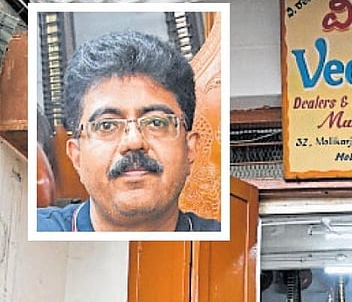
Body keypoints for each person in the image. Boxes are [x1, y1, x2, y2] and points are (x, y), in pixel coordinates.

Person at [36, 29, 220, 232]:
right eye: (107, 125)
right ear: (76, 156)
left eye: (156, 122)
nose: (133, 142)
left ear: (190, 148)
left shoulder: (233, 240)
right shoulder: (32, 229)